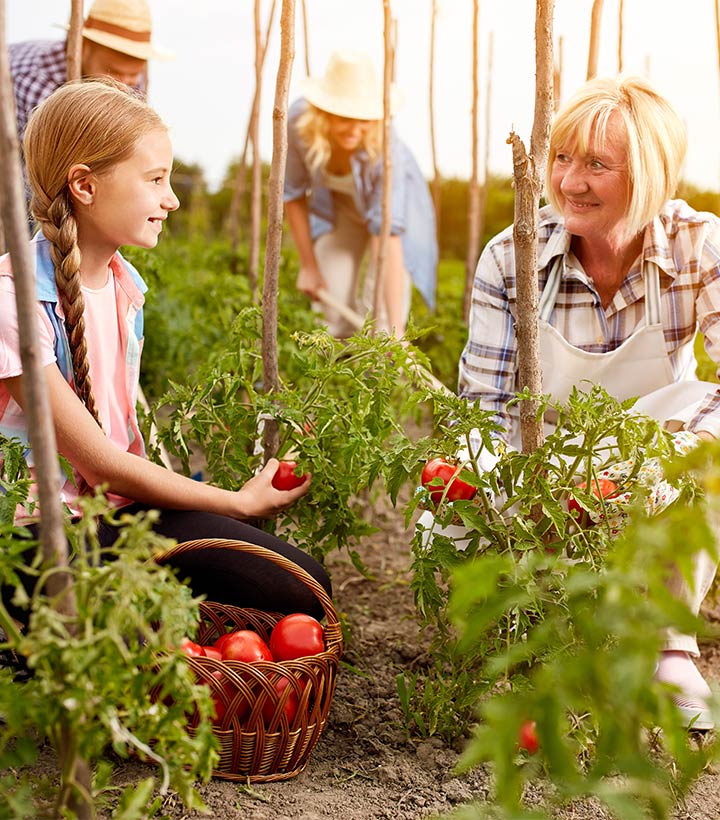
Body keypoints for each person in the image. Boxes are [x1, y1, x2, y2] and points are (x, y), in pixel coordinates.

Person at [0, 78, 331, 630]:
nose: (171, 198)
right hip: (36, 532)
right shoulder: (14, 299)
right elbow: (101, 465)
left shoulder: (124, 286)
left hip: (115, 515)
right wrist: (235, 502)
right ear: (83, 185)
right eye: (155, 179)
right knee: (104, 617)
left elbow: (119, 457)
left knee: (305, 585)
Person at [457, 75, 720, 730]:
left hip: (653, 455)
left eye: (597, 164)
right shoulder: (513, 257)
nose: (570, 181)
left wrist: (664, 469)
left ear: (650, 173)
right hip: (549, 462)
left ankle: (668, 645)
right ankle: (532, 623)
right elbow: (485, 406)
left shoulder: (697, 247)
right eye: (562, 158)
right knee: (450, 514)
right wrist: (515, 496)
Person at [284, 50, 438, 338]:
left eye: (364, 119)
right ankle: (337, 379)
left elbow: (387, 235)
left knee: (383, 325)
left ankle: (386, 369)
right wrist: (308, 266)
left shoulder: (386, 148)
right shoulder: (298, 122)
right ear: (324, 113)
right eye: (345, 118)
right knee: (331, 306)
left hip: (393, 224)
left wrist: (396, 330)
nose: (355, 129)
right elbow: (291, 194)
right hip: (339, 213)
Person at [9, 0, 173, 141]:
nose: (123, 86)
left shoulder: (131, 80)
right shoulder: (36, 81)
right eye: (113, 72)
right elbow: (40, 167)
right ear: (84, 49)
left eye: (133, 74)